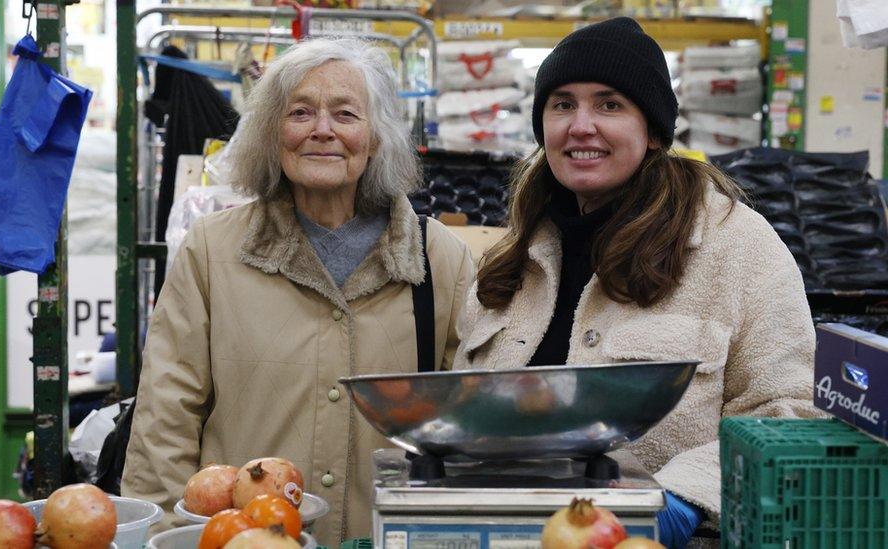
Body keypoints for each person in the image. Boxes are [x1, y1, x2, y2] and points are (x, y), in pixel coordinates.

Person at [452, 18, 820, 549]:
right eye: (562, 104)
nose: (581, 126)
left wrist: (682, 500)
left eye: (609, 105)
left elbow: (789, 411)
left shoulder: (733, 245)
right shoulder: (514, 256)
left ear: (651, 132)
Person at [123, 38, 474, 545]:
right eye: (301, 112)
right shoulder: (212, 251)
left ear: (376, 138)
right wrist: (167, 538)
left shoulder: (438, 258)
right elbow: (164, 420)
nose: (322, 131)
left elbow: (465, 428)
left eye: (346, 114)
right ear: (272, 133)